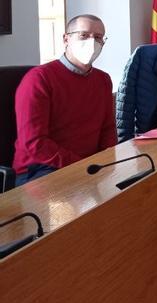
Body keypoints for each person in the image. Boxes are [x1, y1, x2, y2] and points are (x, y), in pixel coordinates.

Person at [13, 14, 117, 186]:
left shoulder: (103, 80)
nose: (92, 42)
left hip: (89, 166)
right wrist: (82, 166)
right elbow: (34, 143)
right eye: (84, 35)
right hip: (41, 170)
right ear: (66, 39)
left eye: (98, 37)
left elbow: (107, 128)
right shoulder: (39, 79)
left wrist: (107, 161)